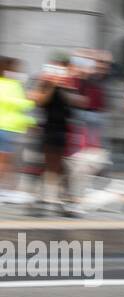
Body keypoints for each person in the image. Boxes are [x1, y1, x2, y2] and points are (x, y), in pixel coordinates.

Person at [29, 56, 84, 212]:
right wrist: (50, 84)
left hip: (66, 130)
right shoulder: (45, 84)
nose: (57, 72)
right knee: (49, 164)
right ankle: (46, 199)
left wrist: (67, 85)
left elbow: (77, 102)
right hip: (48, 128)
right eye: (54, 69)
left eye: (61, 69)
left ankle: (64, 200)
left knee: (61, 165)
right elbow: (38, 101)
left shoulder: (70, 85)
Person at [0, 58, 35, 203]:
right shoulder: (12, 85)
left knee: (7, 161)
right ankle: (5, 190)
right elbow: (19, 105)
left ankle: (8, 189)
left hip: (8, 127)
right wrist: (31, 100)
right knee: (5, 161)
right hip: (7, 127)